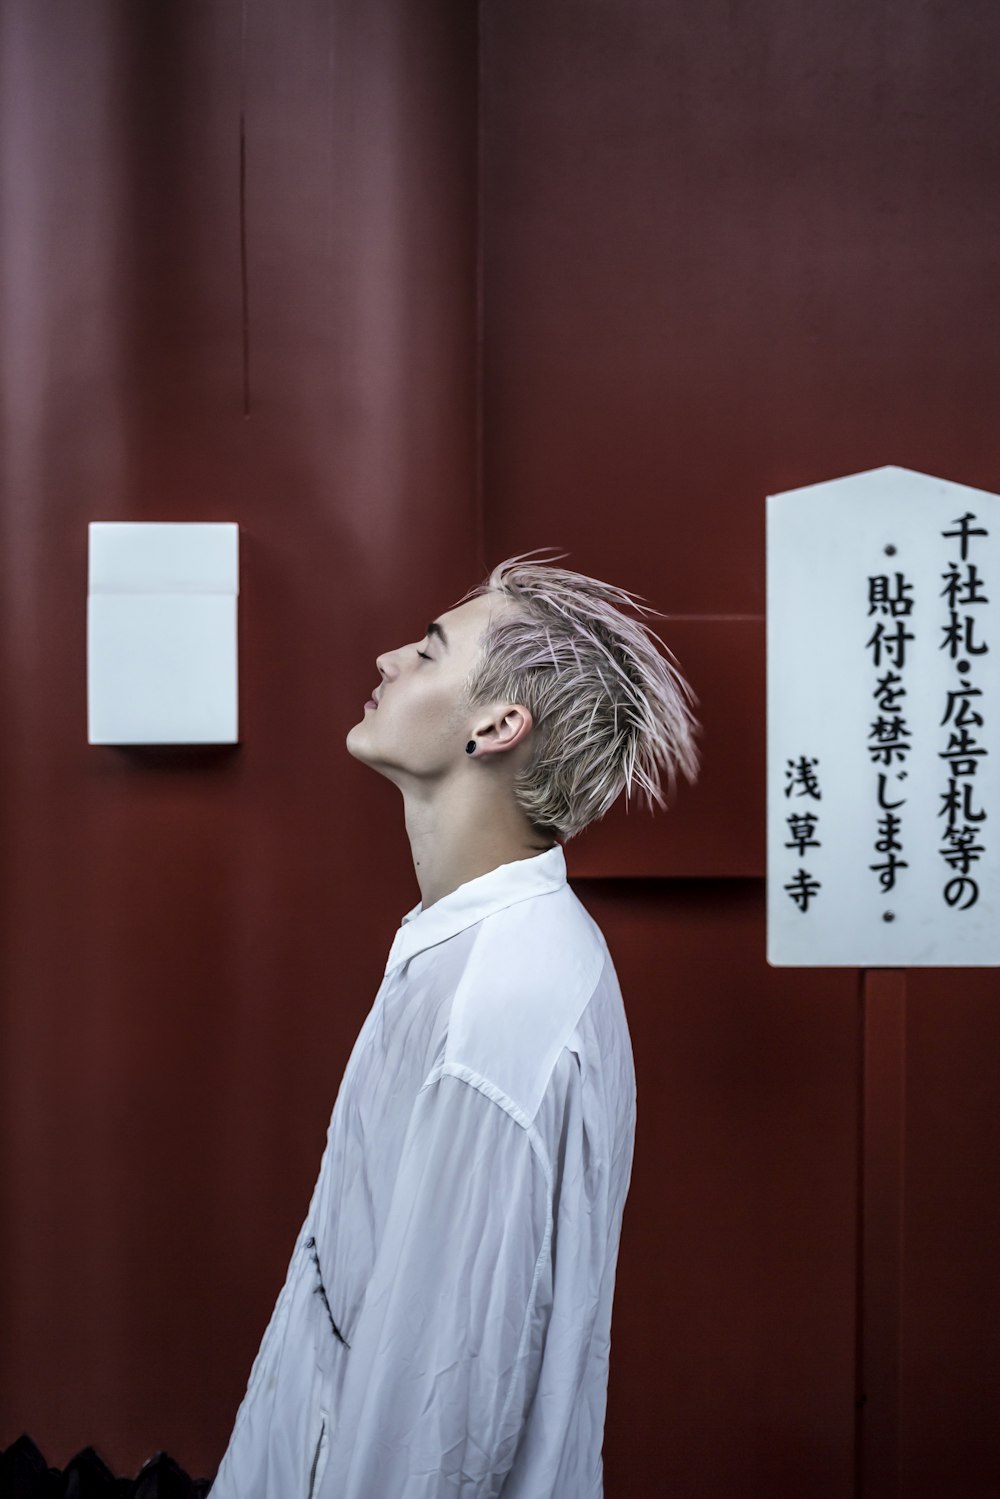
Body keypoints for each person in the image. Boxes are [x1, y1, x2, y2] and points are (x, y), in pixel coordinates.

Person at [209, 549, 701, 1498]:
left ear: (498, 725)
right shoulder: (477, 949)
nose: (391, 658)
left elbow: (434, 1420)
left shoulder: (501, 1000)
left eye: (430, 651)